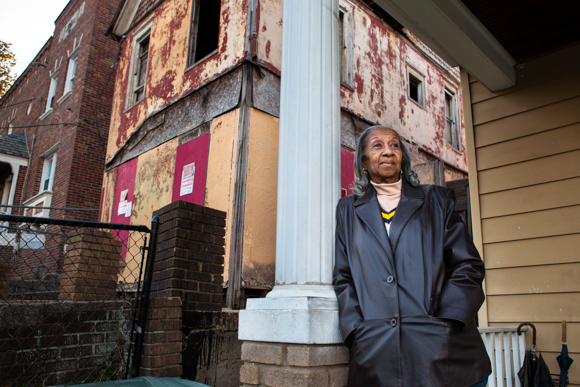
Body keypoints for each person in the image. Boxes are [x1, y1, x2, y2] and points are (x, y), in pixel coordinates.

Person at [333, 125, 491, 387]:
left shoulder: (437, 201)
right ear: (363, 161)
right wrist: (357, 330)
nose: (387, 151)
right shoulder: (347, 211)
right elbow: (343, 277)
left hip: (445, 353)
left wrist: (446, 322)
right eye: (377, 145)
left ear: (403, 160)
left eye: (394, 145)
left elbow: (468, 266)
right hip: (376, 355)